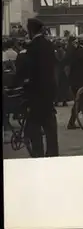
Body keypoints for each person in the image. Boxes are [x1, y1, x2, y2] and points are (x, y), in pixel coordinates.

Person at [14, 18, 59, 157]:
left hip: (35, 93)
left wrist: (18, 81)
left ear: (31, 30)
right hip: (49, 93)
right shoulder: (49, 45)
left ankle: (38, 155)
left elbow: (25, 70)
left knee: (34, 126)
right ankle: (52, 153)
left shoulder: (31, 48)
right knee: (50, 127)